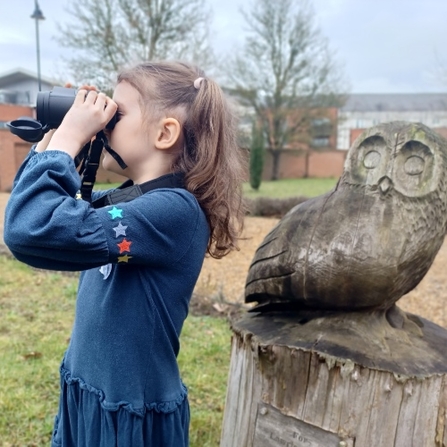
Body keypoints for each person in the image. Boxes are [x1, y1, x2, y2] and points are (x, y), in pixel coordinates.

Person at [3, 61, 245, 446]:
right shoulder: (131, 200)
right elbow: (39, 212)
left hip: (128, 418)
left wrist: (71, 138)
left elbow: (29, 228)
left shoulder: (174, 212)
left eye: (118, 112)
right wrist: (56, 138)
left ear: (165, 133)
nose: (104, 120)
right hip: (91, 394)